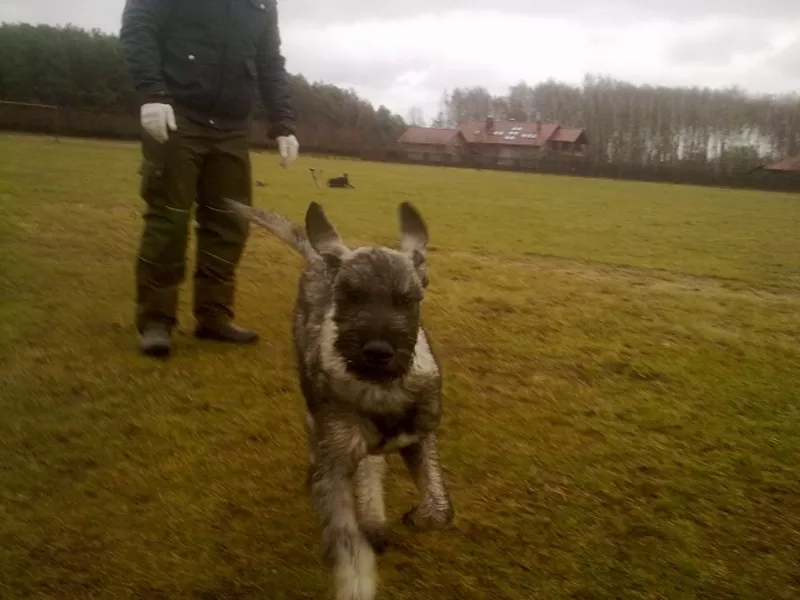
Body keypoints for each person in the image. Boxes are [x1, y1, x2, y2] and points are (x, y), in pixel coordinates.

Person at [119, 0, 299, 357]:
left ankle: (214, 315)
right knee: (168, 218)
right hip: (177, 114)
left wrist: (283, 121)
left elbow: (269, 60)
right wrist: (152, 93)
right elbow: (139, 26)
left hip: (231, 126)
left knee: (230, 223)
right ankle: (156, 320)